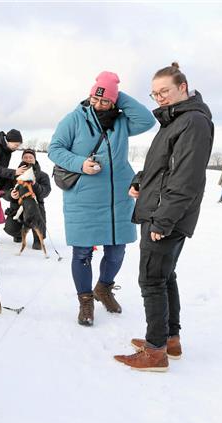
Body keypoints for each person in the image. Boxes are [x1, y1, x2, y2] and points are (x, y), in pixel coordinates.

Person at [115, 62, 214, 371]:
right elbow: (161, 167)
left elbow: (186, 178)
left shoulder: (193, 122)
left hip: (166, 215)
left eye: (165, 91)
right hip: (161, 209)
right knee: (165, 275)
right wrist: (140, 182)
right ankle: (169, 340)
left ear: (183, 87)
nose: (159, 98)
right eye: (155, 93)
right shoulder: (174, 121)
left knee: (152, 279)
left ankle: (155, 351)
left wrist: (163, 219)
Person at [48, 71, 155, 326]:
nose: (98, 105)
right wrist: (80, 164)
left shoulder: (122, 122)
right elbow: (55, 149)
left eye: (105, 101)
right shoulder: (73, 119)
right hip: (83, 198)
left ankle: (103, 288)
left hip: (118, 197)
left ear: (114, 102)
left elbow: (148, 120)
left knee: (117, 250)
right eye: (94, 99)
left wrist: (115, 92)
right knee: (83, 252)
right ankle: (85, 300)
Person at [3, 148, 51, 247]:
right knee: (10, 229)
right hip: (18, 206)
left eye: (30, 157)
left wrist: (35, 185)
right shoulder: (15, 174)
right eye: (25, 157)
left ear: (35, 159)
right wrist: (10, 195)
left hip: (35, 207)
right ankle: (18, 234)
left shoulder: (43, 176)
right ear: (21, 159)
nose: (28, 159)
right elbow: (4, 192)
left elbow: (45, 192)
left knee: (38, 220)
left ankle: (38, 239)